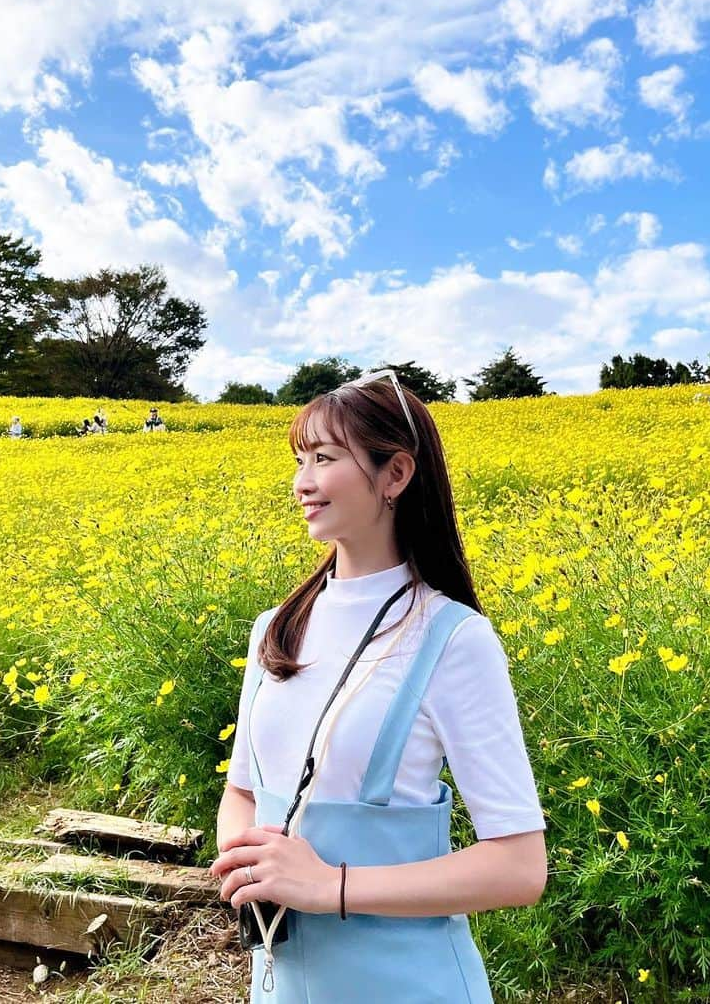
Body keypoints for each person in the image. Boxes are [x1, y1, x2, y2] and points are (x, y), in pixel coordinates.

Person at [211, 368, 547, 1001]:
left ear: (395, 474)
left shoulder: (453, 639)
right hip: (280, 983)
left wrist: (328, 885)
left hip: (406, 984)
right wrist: (252, 864)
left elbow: (520, 868)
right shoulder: (274, 630)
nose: (301, 482)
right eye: (300, 459)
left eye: (324, 458)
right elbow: (243, 794)